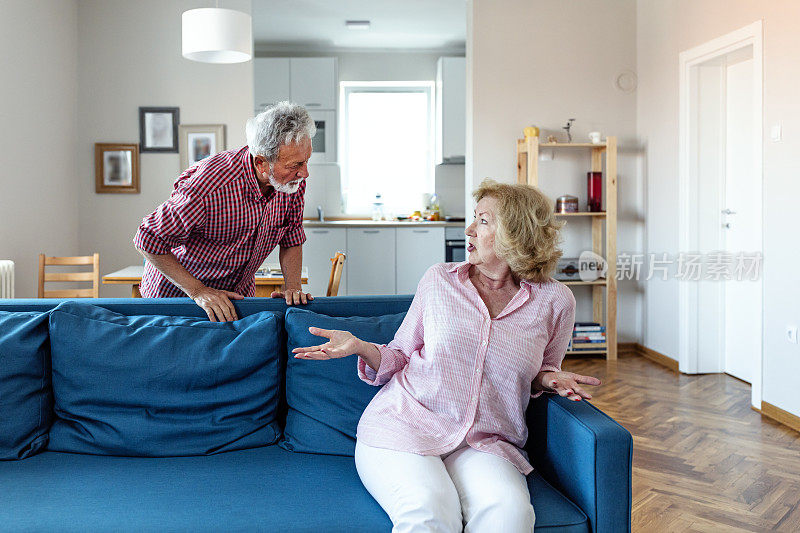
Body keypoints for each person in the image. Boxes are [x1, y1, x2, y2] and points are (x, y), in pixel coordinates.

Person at [293, 179, 602, 532]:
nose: (468, 229)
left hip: (486, 439)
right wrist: (361, 347)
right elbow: (400, 354)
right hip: (405, 426)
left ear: (518, 232)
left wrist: (550, 378)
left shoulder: (555, 301)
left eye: (483, 221)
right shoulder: (439, 280)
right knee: (430, 514)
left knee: (510, 515)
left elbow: (542, 369)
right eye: (474, 218)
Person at [133, 102, 316, 321]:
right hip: (179, 298)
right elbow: (147, 238)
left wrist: (292, 288)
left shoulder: (290, 183)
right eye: (295, 165)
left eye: (306, 161)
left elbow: (291, 236)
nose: (304, 173)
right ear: (261, 163)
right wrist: (198, 291)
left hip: (234, 299)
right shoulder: (210, 184)